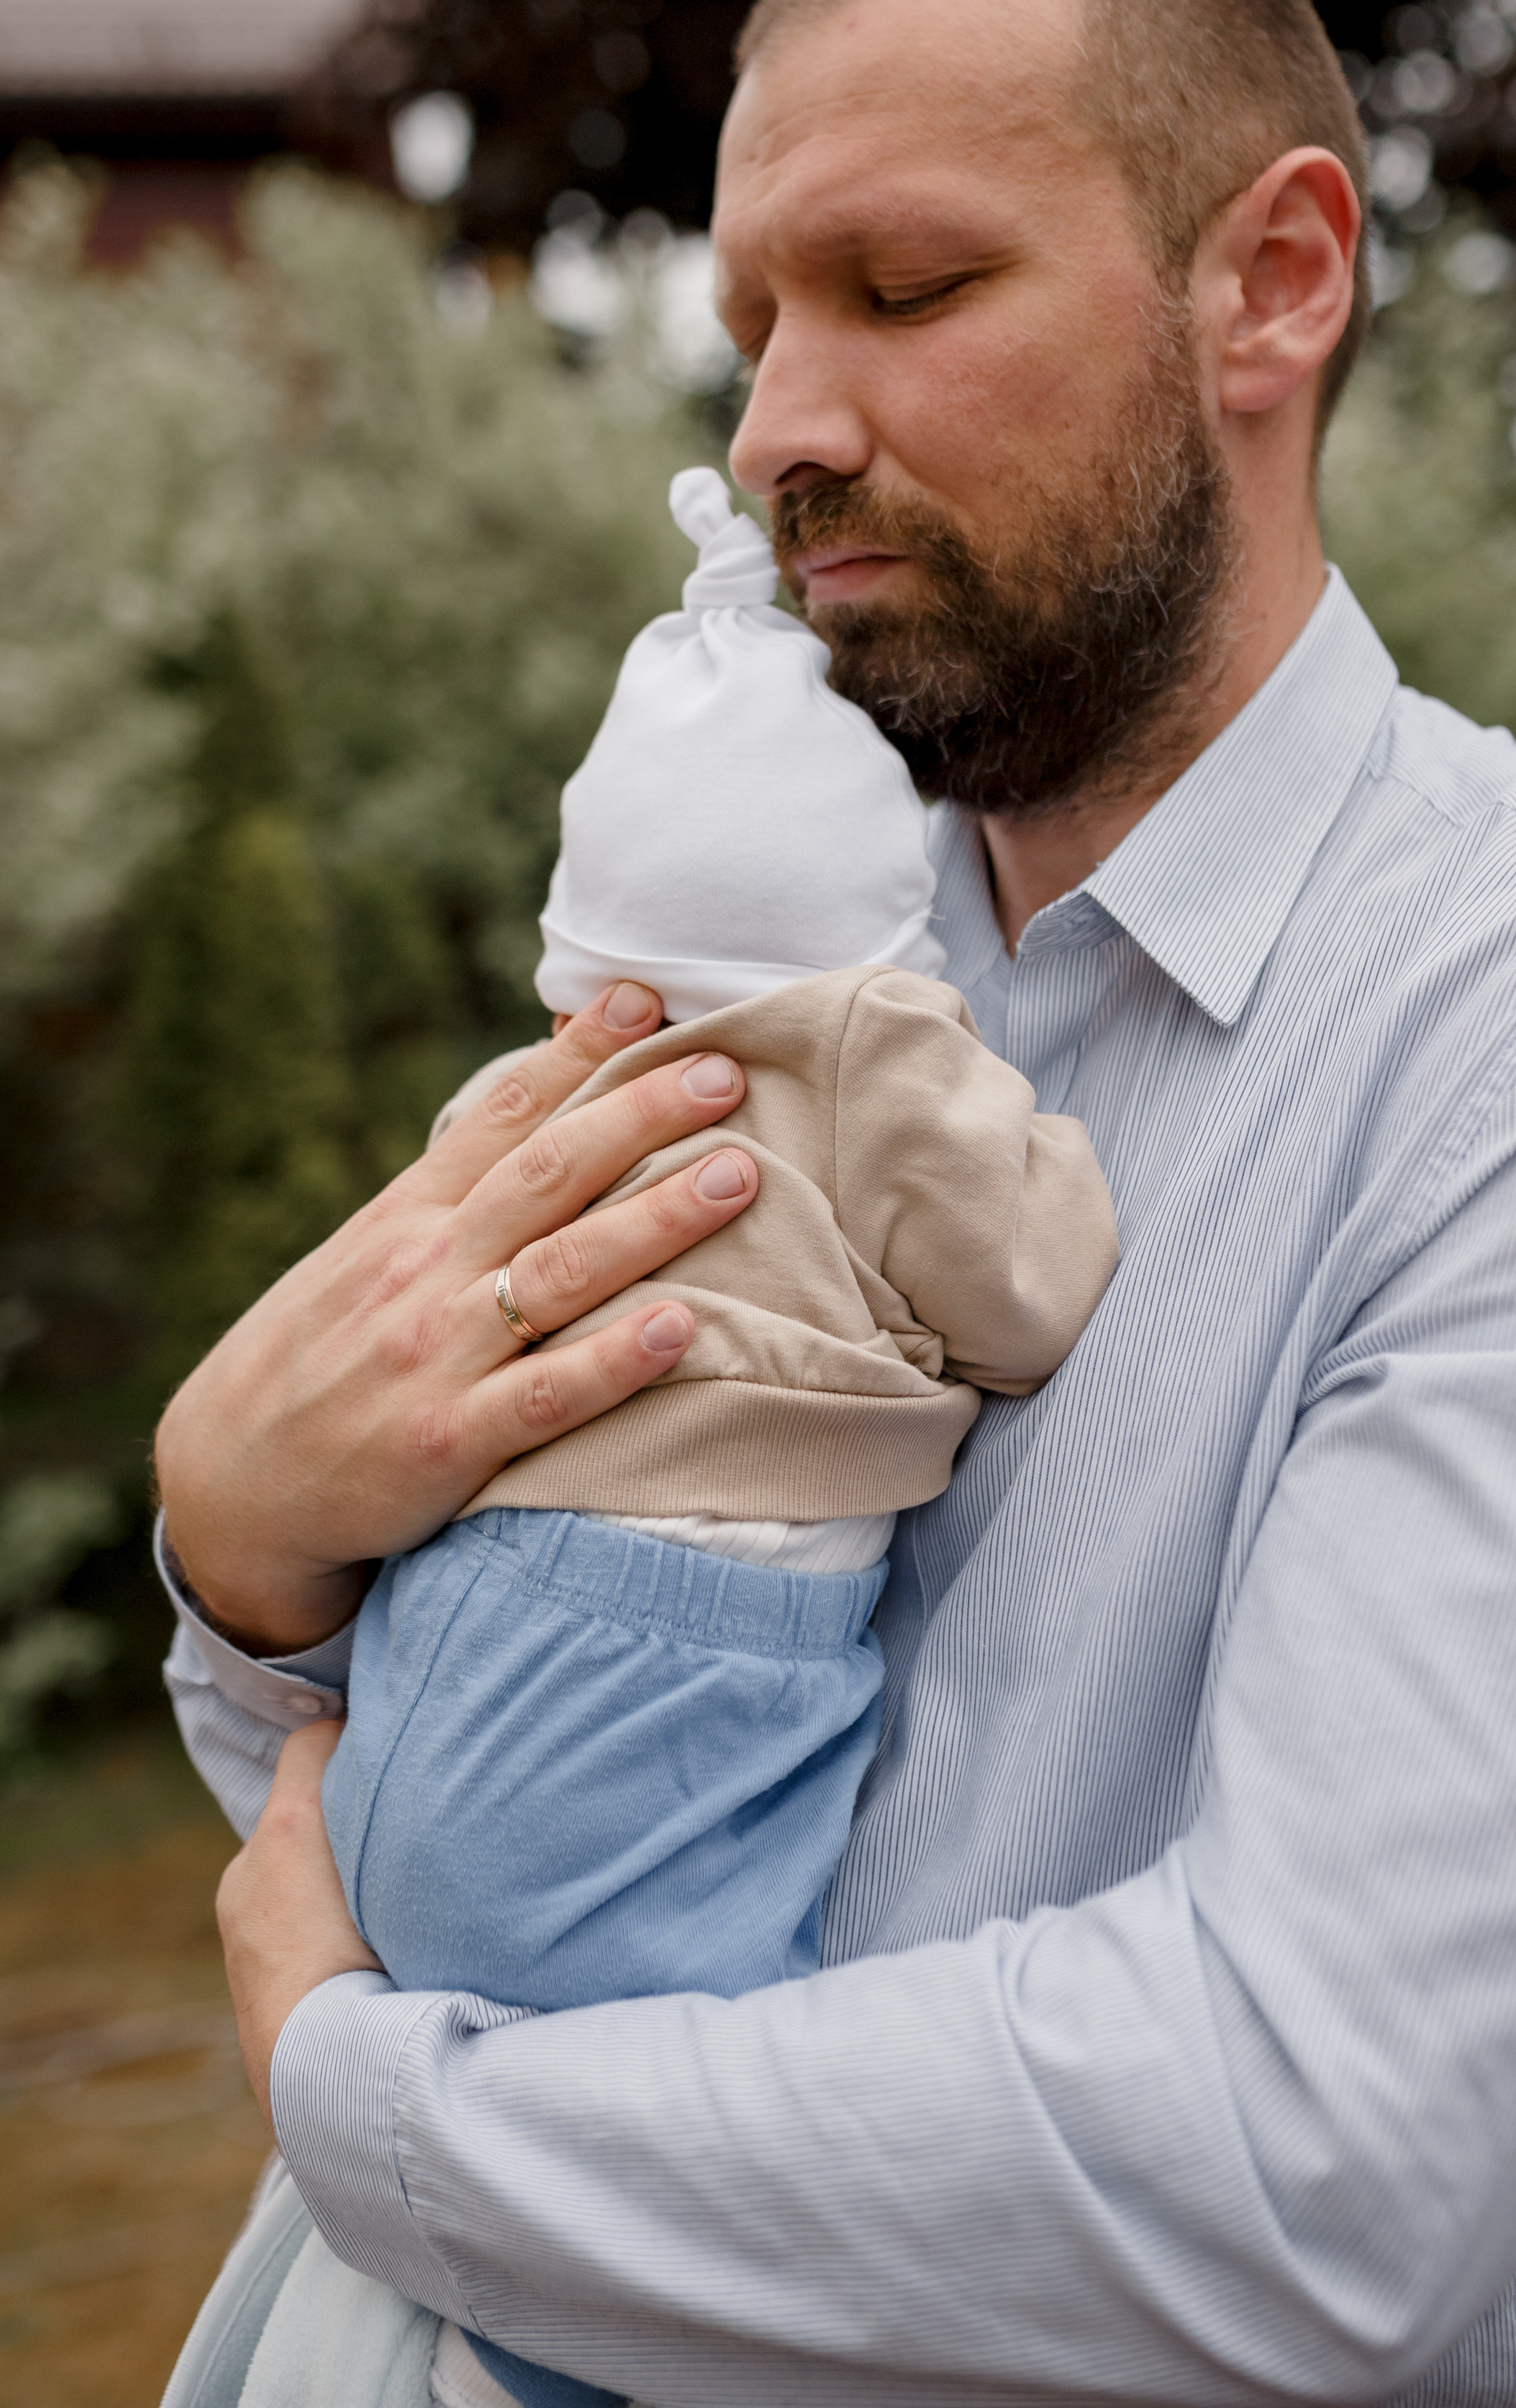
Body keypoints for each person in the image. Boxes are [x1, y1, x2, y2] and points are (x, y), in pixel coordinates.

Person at [158, 0, 1516, 2408]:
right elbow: (426, 1781)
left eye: (905, 291)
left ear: (1272, 280)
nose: (778, 428)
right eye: (751, 326)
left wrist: (385, 2105)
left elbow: (1305, 2165)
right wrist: (246, 1563)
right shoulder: (737, 948)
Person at [314, 461, 1114, 2404]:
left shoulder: (530, 1085)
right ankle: (559, 2364)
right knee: (690, 2082)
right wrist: (1040, 1126)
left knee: (487, 1975)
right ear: (871, 902)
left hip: (450, 1624)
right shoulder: (866, 1048)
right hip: (685, 1641)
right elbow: (1029, 1288)